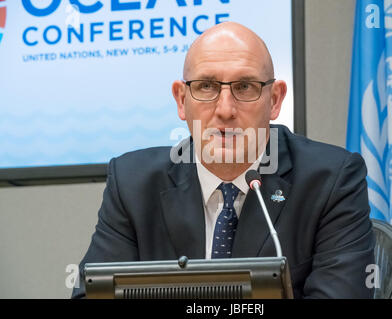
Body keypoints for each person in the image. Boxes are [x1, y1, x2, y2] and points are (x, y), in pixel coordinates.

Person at [72, 22, 375, 299]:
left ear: (275, 100)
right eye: (206, 86)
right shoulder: (132, 183)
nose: (225, 110)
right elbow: (93, 294)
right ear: (181, 100)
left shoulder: (331, 179)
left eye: (245, 87)